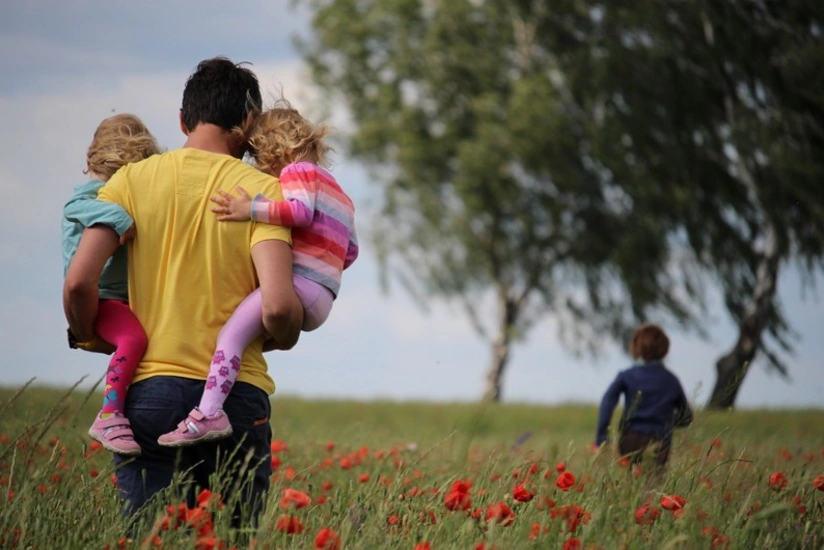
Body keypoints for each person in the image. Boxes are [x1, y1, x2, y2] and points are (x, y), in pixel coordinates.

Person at [63, 57, 304, 523]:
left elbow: (78, 281)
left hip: (148, 392)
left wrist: (89, 333)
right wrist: (287, 332)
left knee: (154, 535)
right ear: (249, 123)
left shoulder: (129, 182)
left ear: (182, 120)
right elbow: (276, 306)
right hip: (235, 398)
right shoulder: (263, 193)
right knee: (232, 537)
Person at [158, 103, 359, 447]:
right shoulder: (341, 193)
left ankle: (208, 413)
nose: (258, 165)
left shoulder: (297, 172)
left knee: (230, 337)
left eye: (257, 155)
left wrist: (248, 209)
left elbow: (298, 212)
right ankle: (219, 395)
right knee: (247, 337)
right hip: (324, 296)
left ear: (274, 149)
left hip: (299, 286)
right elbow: (350, 251)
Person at [62, 113, 160, 456]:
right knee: (134, 338)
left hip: (118, 298)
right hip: (102, 298)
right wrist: (120, 218)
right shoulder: (93, 194)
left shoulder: (109, 191)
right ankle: (110, 414)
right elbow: (76, 207)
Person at [594, 323, 693, 472]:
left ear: (636, 348)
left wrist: (602, 437)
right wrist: (667, 422)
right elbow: (686, 416)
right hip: (659, 440)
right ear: (665, 349)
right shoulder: (671, 380)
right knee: (654, 484)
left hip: (630, 438)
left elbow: (607, 402)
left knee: (631, 482)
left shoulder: (627, 376)